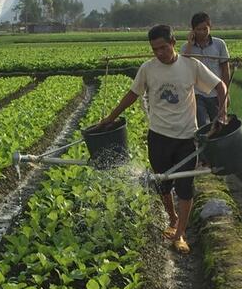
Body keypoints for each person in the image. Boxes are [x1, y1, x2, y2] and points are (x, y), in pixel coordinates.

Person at [96, 25, 228, 254]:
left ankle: (180, 235)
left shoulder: (191, 66)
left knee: (185, 187)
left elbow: (220, 85)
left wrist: (222, 112)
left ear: (173, 42)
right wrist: (110, 117)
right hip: (158, 136)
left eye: (163, 48)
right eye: (154, 49)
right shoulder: (148, 69)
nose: (159, 53)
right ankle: (173, 218)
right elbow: (132, 94)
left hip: (186, 137)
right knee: (162, 183)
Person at [181, 12, 230, 128]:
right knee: (201, 126)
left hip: (216, 92)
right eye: (198, 29)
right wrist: (189, 44)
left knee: (219, 124)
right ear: (193, 30)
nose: (202, 32)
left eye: (205, 29)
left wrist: (227, 93)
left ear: (210, 27)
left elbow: (225, 69)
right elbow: (183, 66)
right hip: (197, 93)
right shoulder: (186, 47)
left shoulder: (219, 44)